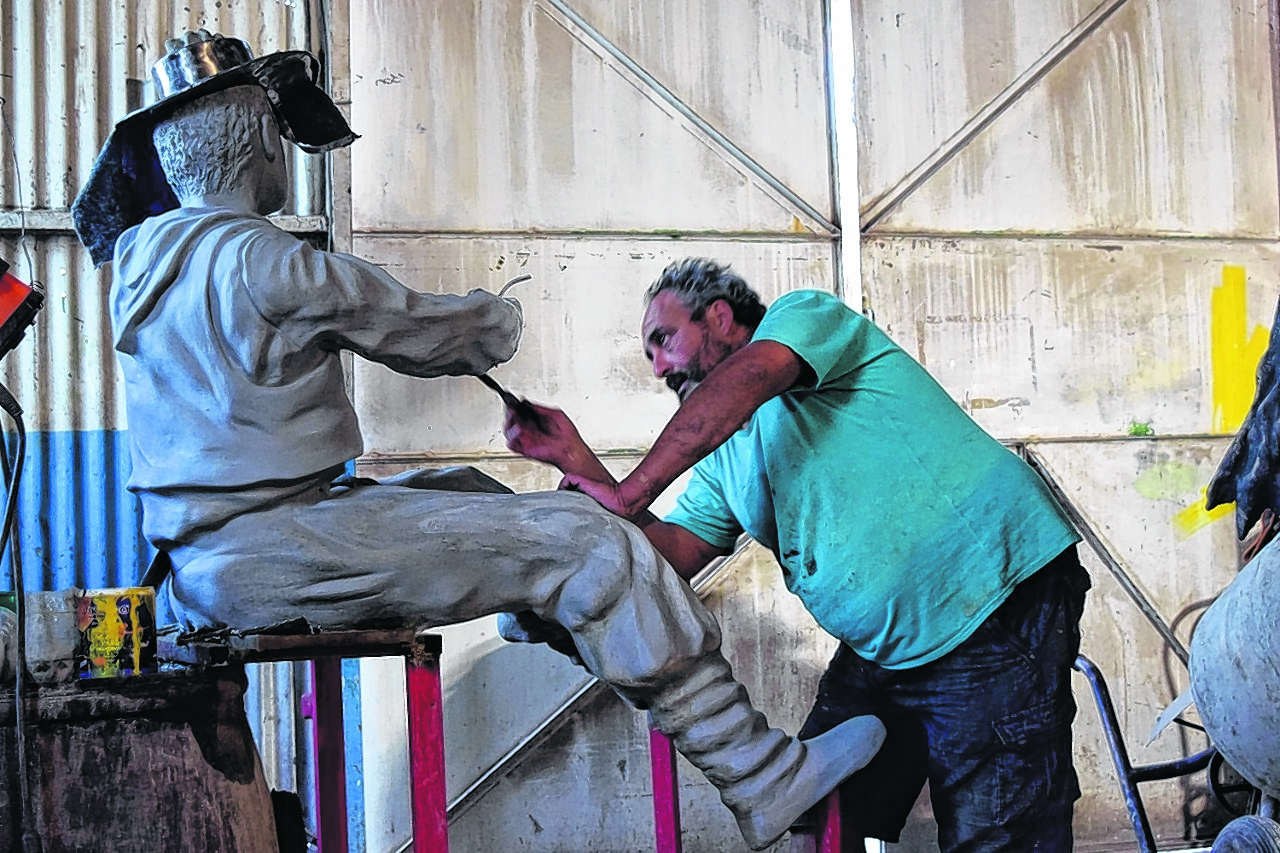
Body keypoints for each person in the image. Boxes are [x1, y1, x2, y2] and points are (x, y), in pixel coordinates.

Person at [70, 31, 884, 851]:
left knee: (463, 485)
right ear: (256, 144)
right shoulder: (265, 261)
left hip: (204, 559)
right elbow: (414, 330)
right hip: (282, 544)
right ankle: (761, 773)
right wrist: (496, 320)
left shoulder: (144, 266)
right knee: (593, 543)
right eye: (280, 136)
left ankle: (538, 604)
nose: (287, 152)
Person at [504, 257, 1092, 853]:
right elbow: (673, 552)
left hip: (989, 606)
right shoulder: (726, 454)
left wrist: (630, 491)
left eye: (664, 339)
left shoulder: (801, 320)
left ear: (719, 316)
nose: (657, 368)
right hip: (887, 650)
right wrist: (572, 457)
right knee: (812, 805)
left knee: (1000, 832)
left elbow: (752, 378)